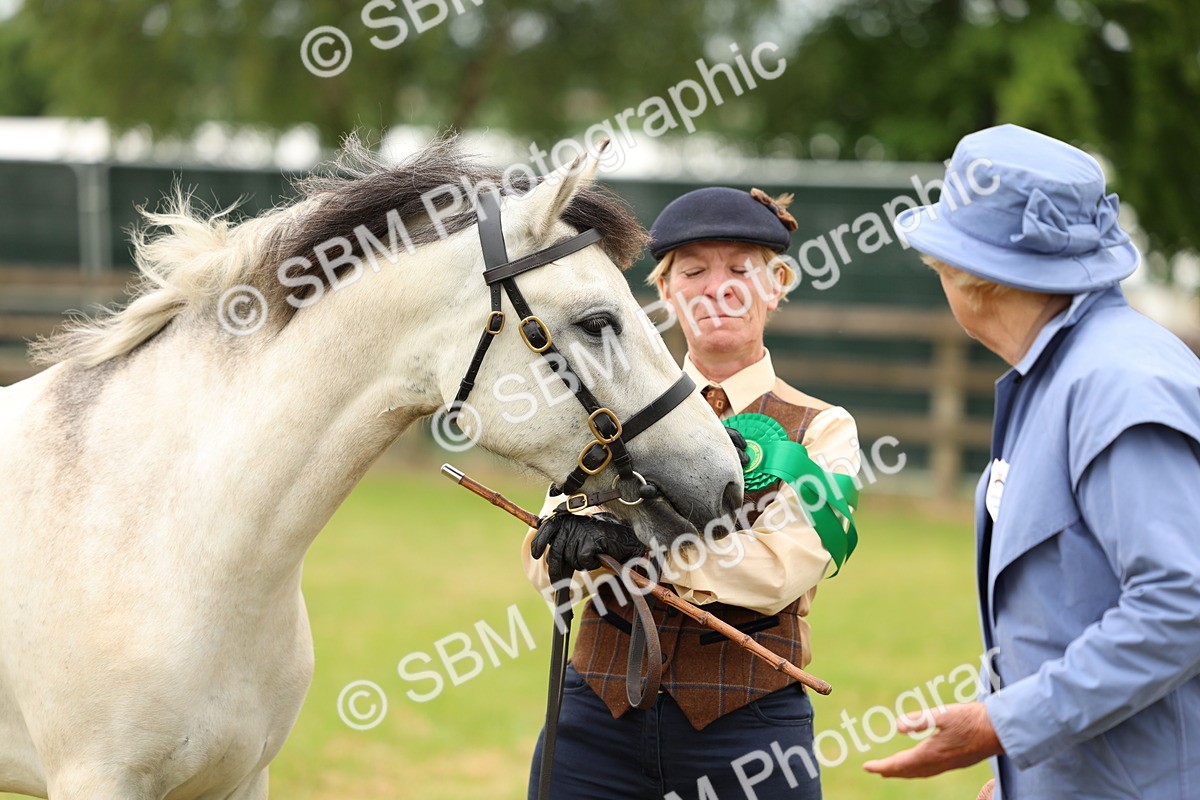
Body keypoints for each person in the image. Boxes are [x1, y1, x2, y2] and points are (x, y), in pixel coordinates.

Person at [863, 124, 1200, 799]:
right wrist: (1014, 772)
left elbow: (1181, 602)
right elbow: (1065, 608)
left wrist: (1001, 725)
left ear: (968, 277)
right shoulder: (1057, 372)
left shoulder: (1119, 384)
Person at [522, 186, 861, 798]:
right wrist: (568, 548)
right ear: (666, 290)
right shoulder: (602, 414)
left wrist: (637, 550)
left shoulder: (826, 429)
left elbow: (780, 571)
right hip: (592, 721)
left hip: (749, 733)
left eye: (741, 269)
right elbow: (546, 558)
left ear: (777, 284)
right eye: (695, 271)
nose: (718, 288)